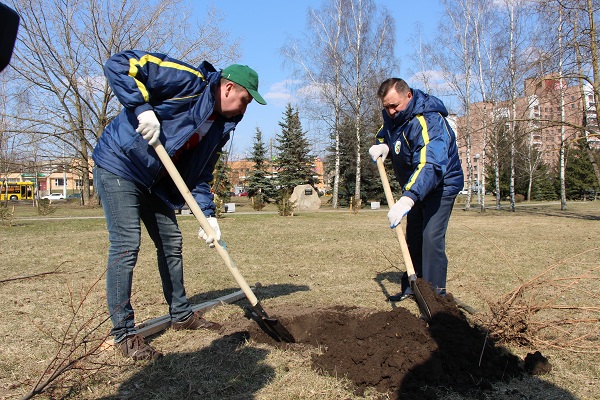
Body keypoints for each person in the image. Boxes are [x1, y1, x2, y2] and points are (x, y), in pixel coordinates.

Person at [92, 50, 266, 361]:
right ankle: (124, 334)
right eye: (245, 99)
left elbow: (199, 173)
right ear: (228, 88)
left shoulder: (220, 126)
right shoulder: (187, 80)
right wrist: (142, 108)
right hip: (119, 164)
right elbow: (119, 64)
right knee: (127, 243)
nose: (245, 107)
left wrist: (207, 216)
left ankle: (181, 314)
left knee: (171, 242)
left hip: (154, 180)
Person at [369, 78, 463, 301]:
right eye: (386, 107)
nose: (391, 111)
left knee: (430, 237)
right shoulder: (395, 119)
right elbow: (388, 134)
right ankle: (412, 287)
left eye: (395, 105)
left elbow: (430, 164)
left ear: (409, 96)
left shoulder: (429, 120)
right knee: (414, 236)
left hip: (441, 184)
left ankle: (434, 296)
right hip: (417, 185)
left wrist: (407, 198)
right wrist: (384, 146)